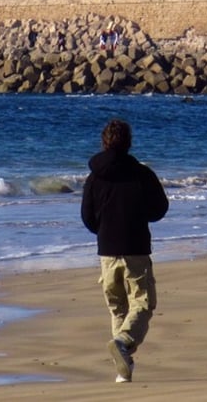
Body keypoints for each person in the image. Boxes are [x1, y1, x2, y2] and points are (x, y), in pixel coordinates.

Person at [80, 119, 169, 383]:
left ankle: (123, 369)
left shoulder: (94, 177)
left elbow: (87, 216)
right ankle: (124, 342)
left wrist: (104, 230)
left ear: (104, 141)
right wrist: (139, 215)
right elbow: (160, 208)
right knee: (142, 303)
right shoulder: (141, 173)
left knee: (118, 308)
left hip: (107, 251)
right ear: (129, 143)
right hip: (135, 247)